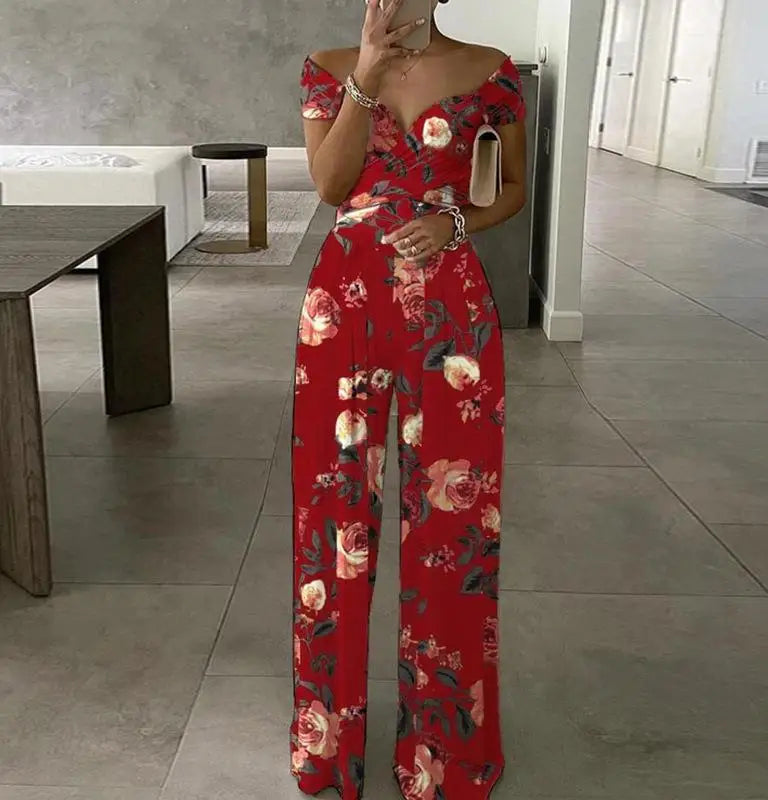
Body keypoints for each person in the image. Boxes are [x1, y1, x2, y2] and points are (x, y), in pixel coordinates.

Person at [291, 1, 527, 797]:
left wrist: (455, 222)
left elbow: (513, 188)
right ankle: (330, 747)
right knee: (332, 523)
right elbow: (330, 185)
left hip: (453, 314)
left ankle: (445, 752)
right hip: (343, 310)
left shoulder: (492, 72)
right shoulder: (327, 69)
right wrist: (365, 74)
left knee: (454, 529)